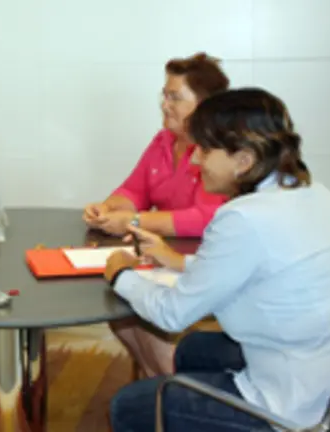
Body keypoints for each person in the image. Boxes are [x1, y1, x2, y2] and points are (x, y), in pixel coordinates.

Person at [105, 88, 330, 431]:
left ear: (244, 160)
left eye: (204, 149)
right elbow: (254, 272)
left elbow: (172, 314)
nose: (196, 160)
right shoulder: (314, 194)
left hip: (297, 407)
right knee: (192, 351)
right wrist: (175, 261)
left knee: (129, 407)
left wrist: (121, 275)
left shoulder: (242, 218)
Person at [84, 52, 230, 378]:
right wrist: (108, 208)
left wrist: (136, 222)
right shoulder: (164, 140)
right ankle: (158, 387)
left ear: (205, 104)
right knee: (119, 310)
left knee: (140, 304)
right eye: (164, 94)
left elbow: (206, 217)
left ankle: (171, 393)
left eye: (174, 97)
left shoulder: (217, 152)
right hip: (159, 256)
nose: (164, 104)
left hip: (197, 262)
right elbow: (134, 189)